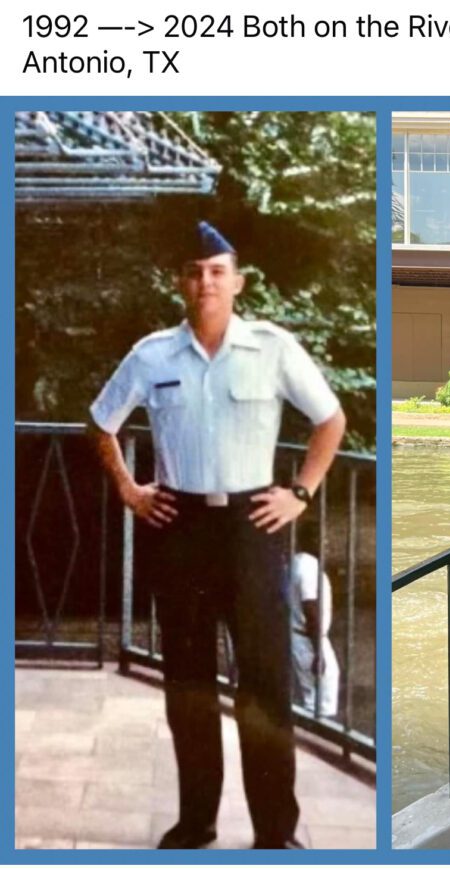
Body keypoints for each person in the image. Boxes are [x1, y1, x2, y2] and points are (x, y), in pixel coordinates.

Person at [88, 221, 346, 850]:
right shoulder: (153, 354)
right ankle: (196, 822)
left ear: (237, 281)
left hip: (251, 526)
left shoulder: (273, 346)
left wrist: (301, 493)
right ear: (182, 281)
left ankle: (275, 834)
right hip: (179, 526)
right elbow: (100, 422)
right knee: (189, 684)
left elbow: (330, 420)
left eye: (216, 271)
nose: (205, 282)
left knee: (265, 684)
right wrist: (129, 489)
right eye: (195, 271)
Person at [289, 550, 340, 717]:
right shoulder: (307, 564)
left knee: (312, 697)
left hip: (300, 635)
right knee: (321, 702)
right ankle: (318, 738)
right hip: (309, 639)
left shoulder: (296, 561)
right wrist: (319, 652)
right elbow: (309, 606)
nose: (327, 544)